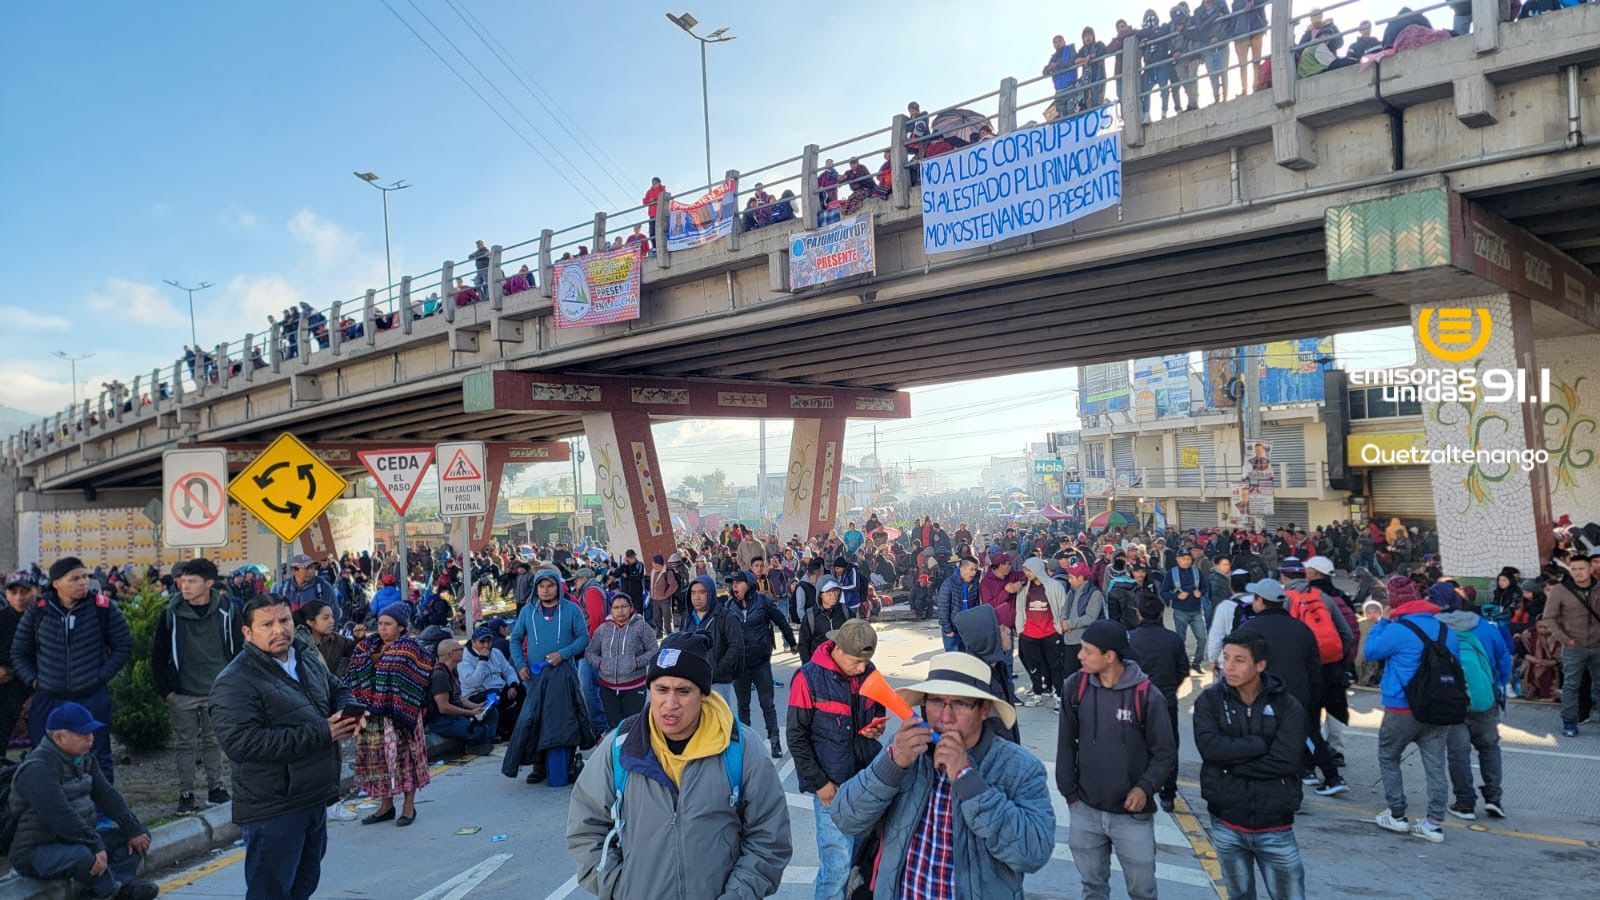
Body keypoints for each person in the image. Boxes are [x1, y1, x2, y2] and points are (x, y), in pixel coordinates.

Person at [568, 632, 792, 899]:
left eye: (683, 691)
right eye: (661, 689)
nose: (670, 704)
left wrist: (737, 895)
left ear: (703, 695)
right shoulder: (619, 749)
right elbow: (585, 828)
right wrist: (619, 888)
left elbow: (769, 838)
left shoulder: (741, 749)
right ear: (649, 690)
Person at [831, 652, 1054, 898]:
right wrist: (891, 764)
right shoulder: (906, 752)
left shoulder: (1020, 767)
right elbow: (845, 818)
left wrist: (968, 780)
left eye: (960, 703)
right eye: (936, 701)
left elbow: (1033, 853)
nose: (945, 717)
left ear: (984, 709)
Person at [212, 595, 360, 900]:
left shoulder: (304, 656)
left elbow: (336, 687)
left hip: (314, 795)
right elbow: (242, 743)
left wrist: (347, 713)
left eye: (284, 621)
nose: (279, 630)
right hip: (273, 806)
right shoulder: (235, 681)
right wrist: (323, 732)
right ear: (248, 633)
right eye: (267, 624)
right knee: (271, 891)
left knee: (304, 883)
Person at [1057, 620, 1176, 900]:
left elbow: (1165, 752)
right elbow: (1065, 743)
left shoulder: (1147, 695)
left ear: (1109, 656)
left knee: (1142, 891)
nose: (1080, 656)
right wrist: (1070, 794)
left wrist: (1145, 787)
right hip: (1085, 809)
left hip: (1132, 818)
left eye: (1087, 650)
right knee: (1092, 889)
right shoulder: (1075, 687)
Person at [1194, 631, 1309, 900]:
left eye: (1239, 660)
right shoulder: (1209, 701)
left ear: (1260, 665)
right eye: (1226, 658)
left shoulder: (1286, 705)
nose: (1229, 667)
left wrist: (1229, 764)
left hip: (1275, 825)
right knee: (1239, 895)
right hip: (1226, 821)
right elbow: (1210, 749)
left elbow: (1285, 760)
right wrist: (1259, 746)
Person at [7, 702, 158, 900]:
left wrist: (133, 828)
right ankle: (114, 892)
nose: (90, 738)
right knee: (84, 856)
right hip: (37, 850)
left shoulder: (85, 759)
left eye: (91, 732)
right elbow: (60, 817)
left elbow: (108, 796)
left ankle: (106, 889)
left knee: (136, 837)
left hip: (77, 839)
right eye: (83, 734)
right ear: (59, 737)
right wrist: (95, 845)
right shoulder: (38, 769)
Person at [787, 620, 886, 899]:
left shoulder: (869, 671)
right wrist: (820, 784)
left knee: (861, 862)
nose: (861, 668)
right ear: (838, 650)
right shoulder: (807, 679)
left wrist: (876, 726)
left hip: (865, 782)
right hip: (831, 788)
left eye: (866, 661)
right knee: (837, 867)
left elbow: (876, 707)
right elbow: (796, 737)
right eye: (856, 662)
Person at [12, 556, 132, 781]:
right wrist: (34, 681)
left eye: (85, 577)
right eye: (75, 578)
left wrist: (102, 676)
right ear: (57, 583)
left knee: (96, 755)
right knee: (46, 756)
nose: (83, 582)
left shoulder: (101, 608)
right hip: (49, 699)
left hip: (91, 696)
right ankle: (54, 809)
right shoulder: (39, 611)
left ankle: (100, 813)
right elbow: (19, 651)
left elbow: (123, 645)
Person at [1364, 576, 1460, 843]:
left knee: (1389, 756)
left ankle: (1397, 814)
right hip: (1439, 708)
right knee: (1436, 764)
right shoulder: (1445, 630)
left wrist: (1382, 620)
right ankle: (1433, 822)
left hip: (1401, 707)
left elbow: (1371, 651)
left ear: (1393, 602)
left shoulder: (1397, 629)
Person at [1235, 577, 1349, 797]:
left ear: (1260, 601)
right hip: (1298, 693)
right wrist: (1312, 695)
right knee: (1309, 734)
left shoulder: (1250, 629)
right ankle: (1331, 776)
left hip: (1264, 695)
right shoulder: (1301, 629)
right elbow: (1314, 665)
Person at [150, 557, 241, 813]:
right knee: (185, 744)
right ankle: (186, 793)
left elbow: (237, 649)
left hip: (218, 689)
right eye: (182, 581)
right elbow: (158, 655)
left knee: (214, 741)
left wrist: (234, 686)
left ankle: (216, 788)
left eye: (192, 581)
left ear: (208, 583)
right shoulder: (171, 613)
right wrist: (166, 691)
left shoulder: (226, 610)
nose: (184, 586)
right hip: (183, 692)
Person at [504, 567, 595, 785]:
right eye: (541, 586)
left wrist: (562, 654)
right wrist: (520, 664)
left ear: (558, 587)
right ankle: (539, 765)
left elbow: (583, 638)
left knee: (564, 721)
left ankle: (568, 762)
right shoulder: (527, 612)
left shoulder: (571, 610)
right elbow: (515, 639)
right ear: (536, 588)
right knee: (534, 720)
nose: (545, 590)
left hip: (564, 675)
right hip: (535, 677)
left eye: (550, 586)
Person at [344, 605, 433, 826]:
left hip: (401, 715)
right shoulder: (367, 646)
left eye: (388, 624)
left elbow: (418, 678)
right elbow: (353, 672)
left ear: (401, 627)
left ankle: (408, 806)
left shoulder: (410, 649)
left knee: (405, 761)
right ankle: (385, 805)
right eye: (380, 623)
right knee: (378, 762)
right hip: (372, 715)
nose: (382, 628)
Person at [1438, 597, 1511, 820]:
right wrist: (1498, 684)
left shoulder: (1437, 628)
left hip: (1452, 701)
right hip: (1485, 698)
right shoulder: (1484, 626)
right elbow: (1503, 657)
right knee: (1489, 748)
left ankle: (1465, 803)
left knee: (1458, 754)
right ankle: (1494, 799)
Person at [726, 571, 797, 759]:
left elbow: (781, 621)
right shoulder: (728, 607)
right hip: (739, 666)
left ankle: (775, 742)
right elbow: (722, 634)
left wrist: (792, 642)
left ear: (749, 584)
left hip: (761, 663)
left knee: (767, 704)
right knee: (743, 707)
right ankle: (746, 746)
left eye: (738, 583)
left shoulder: (763, 602)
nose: (734, 586)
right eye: (732, 583)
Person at [1128, 594, 1189, 812]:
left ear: (1138, 613)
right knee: (1167, 747)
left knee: (1136, 746)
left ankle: (1138, 788)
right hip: (1165, 699)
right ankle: (1168, 793)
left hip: (1136, 701)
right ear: (1162, 613)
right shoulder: (1173, 639)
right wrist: (1170, 686)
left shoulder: (1130, 638)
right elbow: (1183, 669)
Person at [1541, 553, 1600, 737]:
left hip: (1598, 645)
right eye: (1574, 569)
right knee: (1571, 685)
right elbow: (1549, 617)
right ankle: (1569, 722)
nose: (1578, 573)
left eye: (1581, 568)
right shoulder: (1560, 590)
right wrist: (1565, 639)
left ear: (1591, 569)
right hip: (1573, 646)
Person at [584, 593, 658, 727]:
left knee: (633, 726)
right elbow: (590, 652)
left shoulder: (641, 627)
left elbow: (654, 650)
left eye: (624, 606)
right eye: (616, 607)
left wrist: (637, 662)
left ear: (631, 608)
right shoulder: (603, 629)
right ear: (611, 610)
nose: (620, 610)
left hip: (634, 686)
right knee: (614, 727)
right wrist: (601, 663)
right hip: (607, 687)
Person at [679, 574, 744, 707]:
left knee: (721, 723)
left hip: (718, 683)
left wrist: (718, 669)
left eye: (702, 592)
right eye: (693, 593)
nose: (696, 597)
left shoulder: (725, 617)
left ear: (711, 593)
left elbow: (736, 646)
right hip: (692, 683)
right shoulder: (687, 618)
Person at [1015, 557, 1069, 709]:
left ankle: (1059, 695)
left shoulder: (1054, 586)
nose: (1026, 573)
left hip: (1050, 633)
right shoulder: (1025, 588)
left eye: (1028, 570)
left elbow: (1062, 606)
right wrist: (1020, 629)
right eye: (1025, 570)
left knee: (1055, 666)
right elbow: (1020, 609)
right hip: (1029, 634)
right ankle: (1038, 692)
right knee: (1033, 667)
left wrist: (1060, 626)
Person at [425, 638, 494, 753]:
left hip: (455, 717)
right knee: (479, 730)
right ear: (451, 653)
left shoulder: (452, 671)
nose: (463, 651)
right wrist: (470, 713)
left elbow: (458, 697)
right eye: (460, 649)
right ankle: (473, 745)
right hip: (442, 720)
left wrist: (475, 706)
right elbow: (444, 707)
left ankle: (480, 741)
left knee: (491, 713)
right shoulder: (440, 675)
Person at [0, 572, 40, 763]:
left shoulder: (45, 619)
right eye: (13, 591)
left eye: (24, 591)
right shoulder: (2, 619)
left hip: (38, 689)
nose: (19, 597)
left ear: (36, 591)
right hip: (5, 691)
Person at [461, 623, 522, 741]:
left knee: (522, 690)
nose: (486, 645)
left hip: (499, 689)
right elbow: (473, 682)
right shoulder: (465, 659)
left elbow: (508, 671)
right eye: (482, 642)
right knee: (493, 695)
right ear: (473, 642)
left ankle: (511, 727)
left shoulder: (496, 653)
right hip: (475, 694)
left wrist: (513, 685)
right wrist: (482, 661)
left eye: (488, 641)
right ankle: (496, 730)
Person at [1161, 548, 1210, 671]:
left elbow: (1205, 587)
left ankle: (1196, 663)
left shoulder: (1197, 572)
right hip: (1180, 611)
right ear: (1177, 559)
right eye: (1184, 559)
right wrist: (1176, 596)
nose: (1187, 561)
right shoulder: (1171, 573)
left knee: (1202, 638)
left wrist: (1201, 593)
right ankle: (1182, 664)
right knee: (1181, 639)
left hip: (1196, 610)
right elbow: (1163, 592)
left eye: (1189, 559)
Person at [1060, 562, 1106, 677]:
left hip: (1085, 642)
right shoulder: (1071, 592)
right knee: (1070, 675)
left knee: (1087, 675)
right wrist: (1064, 621)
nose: (1069, 580)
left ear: (1080, 577)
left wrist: (1069, 624)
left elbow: (1091, 618)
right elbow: (1063, 610)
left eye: (1071, 577)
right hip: (1069, 640)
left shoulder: (1095, 593)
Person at [294, 599, 353, 677]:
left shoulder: (336, 639)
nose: (332, 621)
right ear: (310, 622)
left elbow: (356, 651)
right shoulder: (299, 645)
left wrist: (359, 638)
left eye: (332, 617)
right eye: (325, 618)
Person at [798, 577, 850, 662]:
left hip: (842, 664)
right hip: (820, 664)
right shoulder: (810, 616)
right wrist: (808, 667)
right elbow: (803, 644)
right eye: (828, 591)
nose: (833, 595)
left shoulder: (845, 611)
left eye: (835, 591)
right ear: (820, 594)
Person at [275, 553, 340, 620]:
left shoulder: (323, 587)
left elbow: (335, 612)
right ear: (294, 571)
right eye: (306, 568)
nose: (310, 571)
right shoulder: (284, 589)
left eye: (312, 567)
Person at [937, 556, 982, 652]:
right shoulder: (949, 584)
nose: (974, 573)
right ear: (962, 568)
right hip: (953, 629)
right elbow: (943, 608)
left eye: (975, 570)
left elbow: (977, 605)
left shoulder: (974, 584)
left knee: (968, 658)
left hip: (968, 629)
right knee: (954, 659)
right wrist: (948, 630)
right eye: (971, 569)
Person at [1044, 34, 1081, 117]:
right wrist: (1049, 68)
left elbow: (1072, 61)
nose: (1058, 44)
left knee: (1072, 112)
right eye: (1055, 42)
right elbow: (1044, 72)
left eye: (1059, 41)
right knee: (1062, 116)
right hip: (1059, 91)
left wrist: (1057, 65)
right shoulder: (1053, 57)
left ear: (1064, 41)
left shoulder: (1070, 49)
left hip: (1070, 87)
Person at [642, 177, 667, 247]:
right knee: (652, 232)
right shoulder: (649, 191)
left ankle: (663, 246)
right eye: (653, 183)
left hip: (661, 214)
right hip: (652, 215)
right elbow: (644, 201)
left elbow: (663, 197)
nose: (654, 184)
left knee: (661, 230)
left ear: (659, 183)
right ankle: (654, 247)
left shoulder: (662, 189)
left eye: (655, 182)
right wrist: (650, 201)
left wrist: (655, 200)